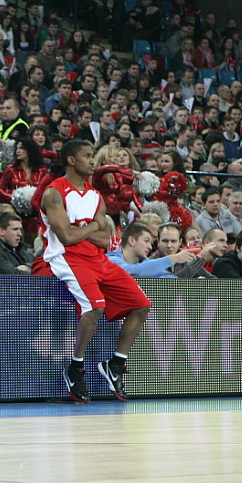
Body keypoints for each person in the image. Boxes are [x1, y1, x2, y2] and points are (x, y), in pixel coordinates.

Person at [33, 140, 151, 403]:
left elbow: (105, 239)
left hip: (98, 258)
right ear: (71, 160)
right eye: (87, 156)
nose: (92, 161)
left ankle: (116, 364)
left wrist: (82, 230)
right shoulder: (54, 192)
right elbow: (65, 238)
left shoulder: (95, 195)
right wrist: (93, 226)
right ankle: (75, 368)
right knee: (94, 307)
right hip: (66, 258)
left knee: (141, 305)